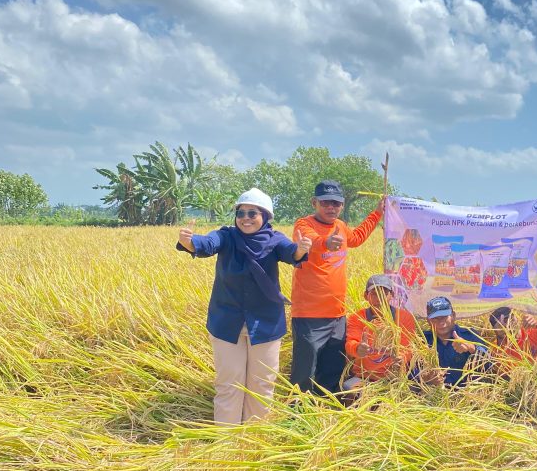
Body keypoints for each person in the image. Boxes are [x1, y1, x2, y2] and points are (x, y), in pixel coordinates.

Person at [176, 188, 311, 424]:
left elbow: (290, 252)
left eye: (252, 213)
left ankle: (253, 441)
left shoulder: (275, 238)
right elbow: (208, 243)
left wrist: (300, 250)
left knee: (262, 385)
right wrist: (190, 242)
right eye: (241, 213)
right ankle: (226, 444)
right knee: (229, 384)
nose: (245, 218)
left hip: (266, 324)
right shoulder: (227, 236)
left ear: (265, 217)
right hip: (228, 322)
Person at [290, 179, 383, 395]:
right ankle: (296, 415)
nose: (331, 208)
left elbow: (357, 238)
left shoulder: (340, 226)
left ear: (341, 205)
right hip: (309, 315)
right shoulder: (303, 225)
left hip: (337, 314)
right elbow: (310, 240)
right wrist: (326, 243)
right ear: (315, 202)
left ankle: (326, 409)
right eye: (326, 203)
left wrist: (377, 213)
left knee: (332, 368)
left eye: (336, 203)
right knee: (305, 371)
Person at [342, 274, 418, 391]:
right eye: (374, 294)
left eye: (384, 293)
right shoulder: (357, 317)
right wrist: (358, 348)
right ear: (365, 296)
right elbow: (350, 343)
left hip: (394, 378)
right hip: (364, 377)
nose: (379, 299)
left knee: (413, 391)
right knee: (349, 389)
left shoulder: (404, 318)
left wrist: (400, 358)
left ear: (391, 295)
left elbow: (407, 348)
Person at [412, 296, 490, 387]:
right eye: (435, 319)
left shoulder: (470, 335)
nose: (441, 322)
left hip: (467, 395)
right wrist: (425, 379)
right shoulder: (421, 342)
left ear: (453, 316)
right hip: (433, 396)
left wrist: (471, 348)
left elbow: (489, 365)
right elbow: (411, 373)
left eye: (444, 317)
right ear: (428, 321)